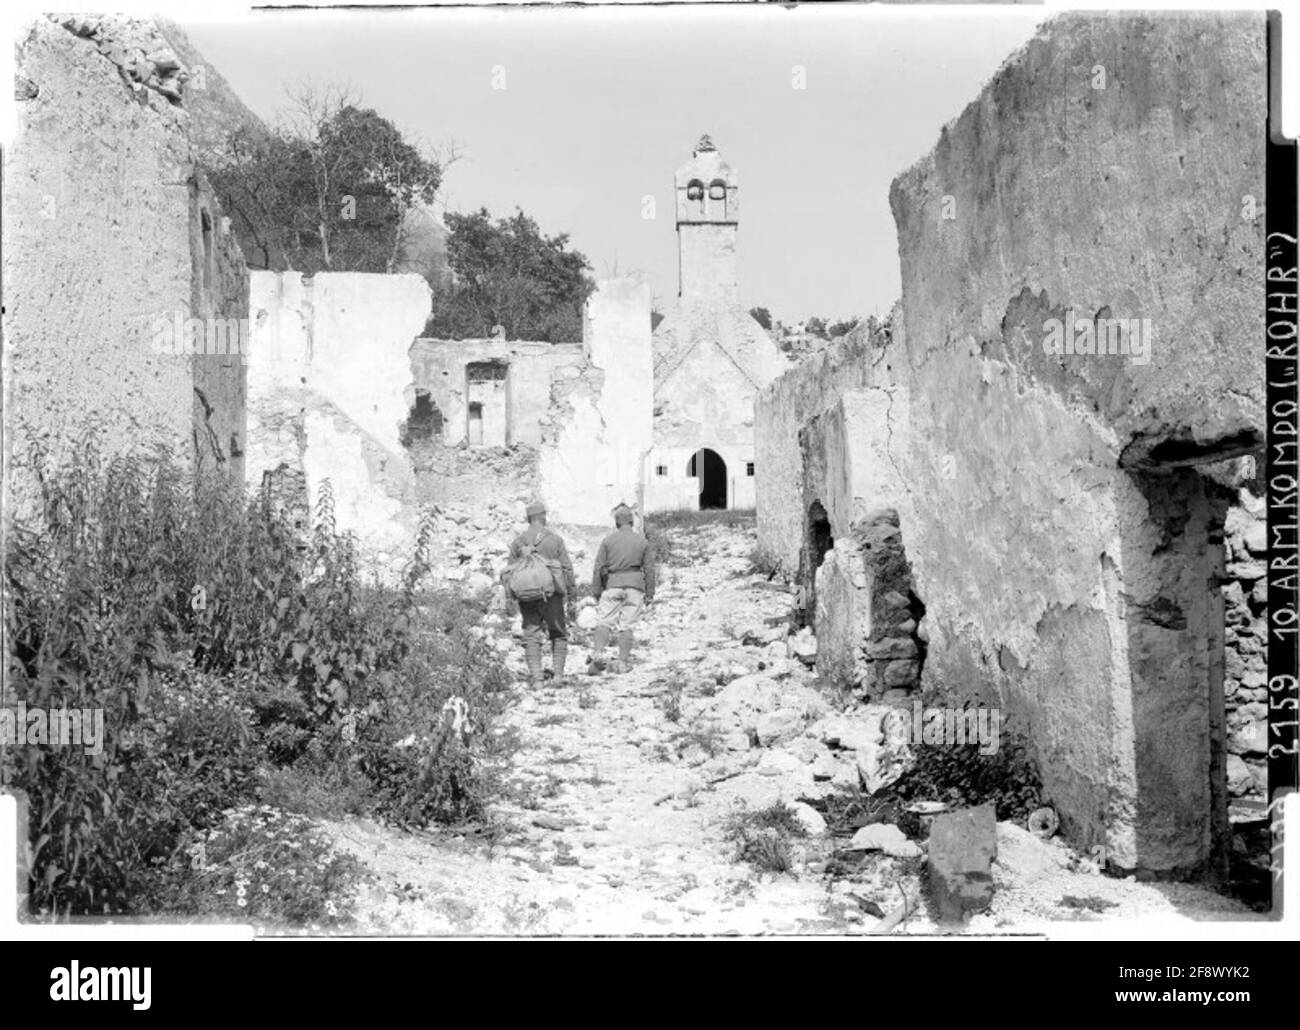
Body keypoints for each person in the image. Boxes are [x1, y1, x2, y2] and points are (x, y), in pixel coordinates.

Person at [507, 501, 576, 687]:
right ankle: (558, 676)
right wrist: (571, 594)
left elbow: (510, 572)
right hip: (552, 594)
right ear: (543, 517)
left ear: (528, 519)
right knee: (558, 633)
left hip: (527, 596)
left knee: (531, 636)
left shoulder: (518, 542)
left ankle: (537, 679)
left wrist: (510, 599)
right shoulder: (555, 540)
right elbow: (567, 569)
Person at [588, 503, 656, 674]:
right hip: (635, 586)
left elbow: (598, 567)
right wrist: (650, 593)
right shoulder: (642, 541)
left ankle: (597, 655)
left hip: (613, 584)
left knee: (604, 621)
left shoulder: (608, 541)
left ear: (616, 523)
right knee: (626, 626)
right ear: (632, 522)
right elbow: (649, 569)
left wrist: (597, 590)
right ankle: (622, 662)